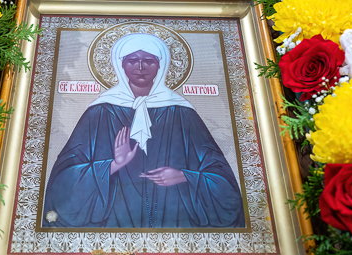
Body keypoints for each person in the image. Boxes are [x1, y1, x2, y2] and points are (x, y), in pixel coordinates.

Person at [42, 33, 245, 229]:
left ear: (161, 65)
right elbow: (63, 180)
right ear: (120, 65)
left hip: (174, 218)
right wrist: (112, 165)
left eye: (149, 60)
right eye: (132, 60)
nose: (140, 67)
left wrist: (185, 176)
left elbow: (222, 179)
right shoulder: (99, 112)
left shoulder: (182, 112)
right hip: (114, 217)